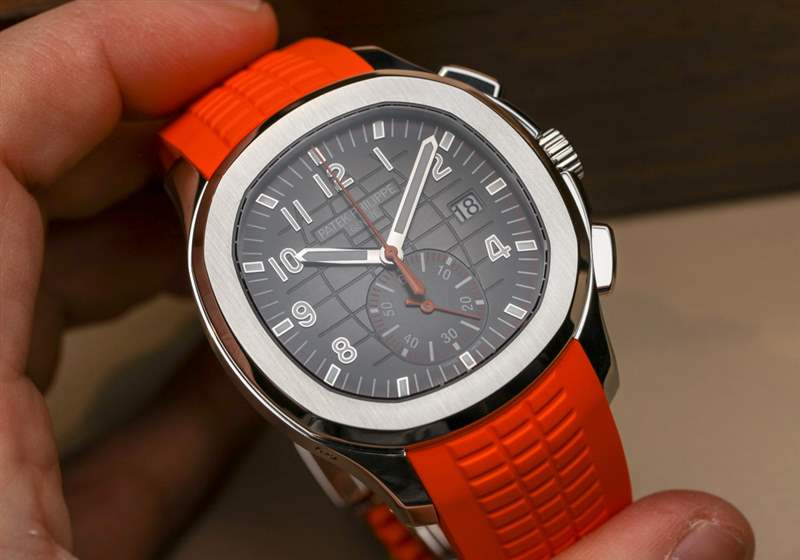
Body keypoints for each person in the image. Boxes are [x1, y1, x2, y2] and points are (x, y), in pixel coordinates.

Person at [0, 1, 755, 559]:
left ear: (546, 161)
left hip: (549, 355)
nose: (393, 254)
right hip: (431, 438)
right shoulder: (209, 216)